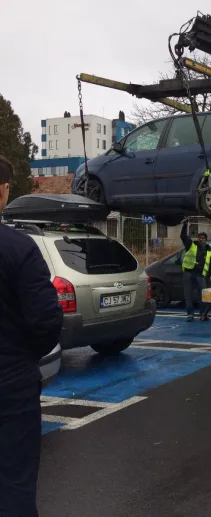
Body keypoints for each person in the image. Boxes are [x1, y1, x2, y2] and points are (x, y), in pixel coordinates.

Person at [0, 155, 63, 516]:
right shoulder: (20, 249)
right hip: (10, 390)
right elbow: (44, 323)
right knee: (14, 484)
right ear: (4, 191)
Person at [180, 219, 211, 322]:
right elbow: (183, 236)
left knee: (203, 296)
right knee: (188, 294)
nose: (201, 239)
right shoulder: (191, 245)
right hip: (188, 273)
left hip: (200, 275)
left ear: (206, 239)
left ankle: (202, 314)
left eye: (203, 238)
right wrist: (185, 225)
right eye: (199, 237)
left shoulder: (209, 251)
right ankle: (190, 314)